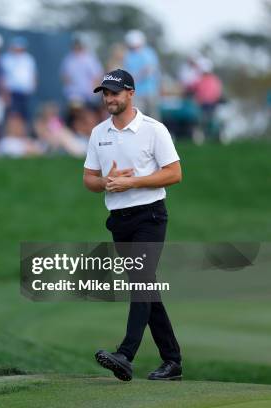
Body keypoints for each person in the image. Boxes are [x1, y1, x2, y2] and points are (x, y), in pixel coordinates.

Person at [83, 69, 182, 381]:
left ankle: (125, 355)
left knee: (140, 283)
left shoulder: (153, 129)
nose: (109, 99)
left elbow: (174, 173)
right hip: (119, 220)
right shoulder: (99, 133)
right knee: (147, 287)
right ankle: (172, 362)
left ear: (130, 93)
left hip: (149, 215)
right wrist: (106, 182)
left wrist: (134, 182)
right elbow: (89, 179)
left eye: (115, 93)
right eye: (105, 94)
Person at [123, 30, 161, 119]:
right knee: (138, 118)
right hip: (137, 92)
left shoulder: (149, 52)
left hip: (151, 90)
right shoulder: (128, 55)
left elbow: (151, 69)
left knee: (153, 118)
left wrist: (136, 77)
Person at [61, 36, 103, 110]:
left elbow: (97, 76)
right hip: (74, 95)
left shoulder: (89, 59)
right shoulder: (68, 59)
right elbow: (64, 76)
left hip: (89, 96)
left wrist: (94, 92)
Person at [1, 37, 37, 124]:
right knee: (11, 114)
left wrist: (33, 87)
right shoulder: (6, 59)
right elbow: (2, 77)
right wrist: (4, 93)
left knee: (24, 115)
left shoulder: (28, 59)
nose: (18, 50)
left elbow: (33, 75)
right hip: (10, 92)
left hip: (25, 92)